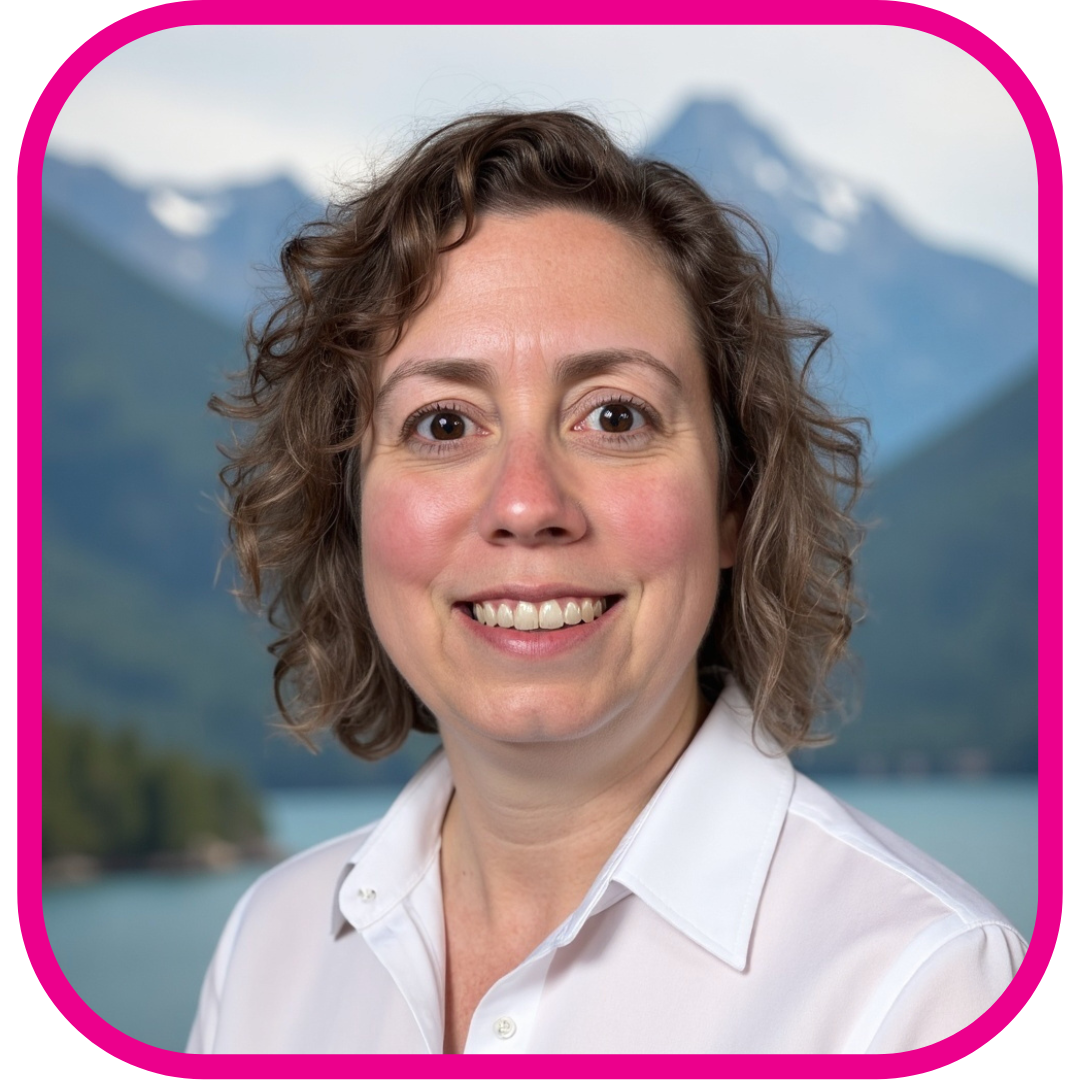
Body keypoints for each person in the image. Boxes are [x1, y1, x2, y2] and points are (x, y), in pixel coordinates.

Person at [187, 111, 1025, 1054]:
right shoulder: (268, 955)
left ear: (736, 498)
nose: (526, 503)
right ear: (350, 507)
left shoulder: (924, 993)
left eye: (615, 417)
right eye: (444, 424)